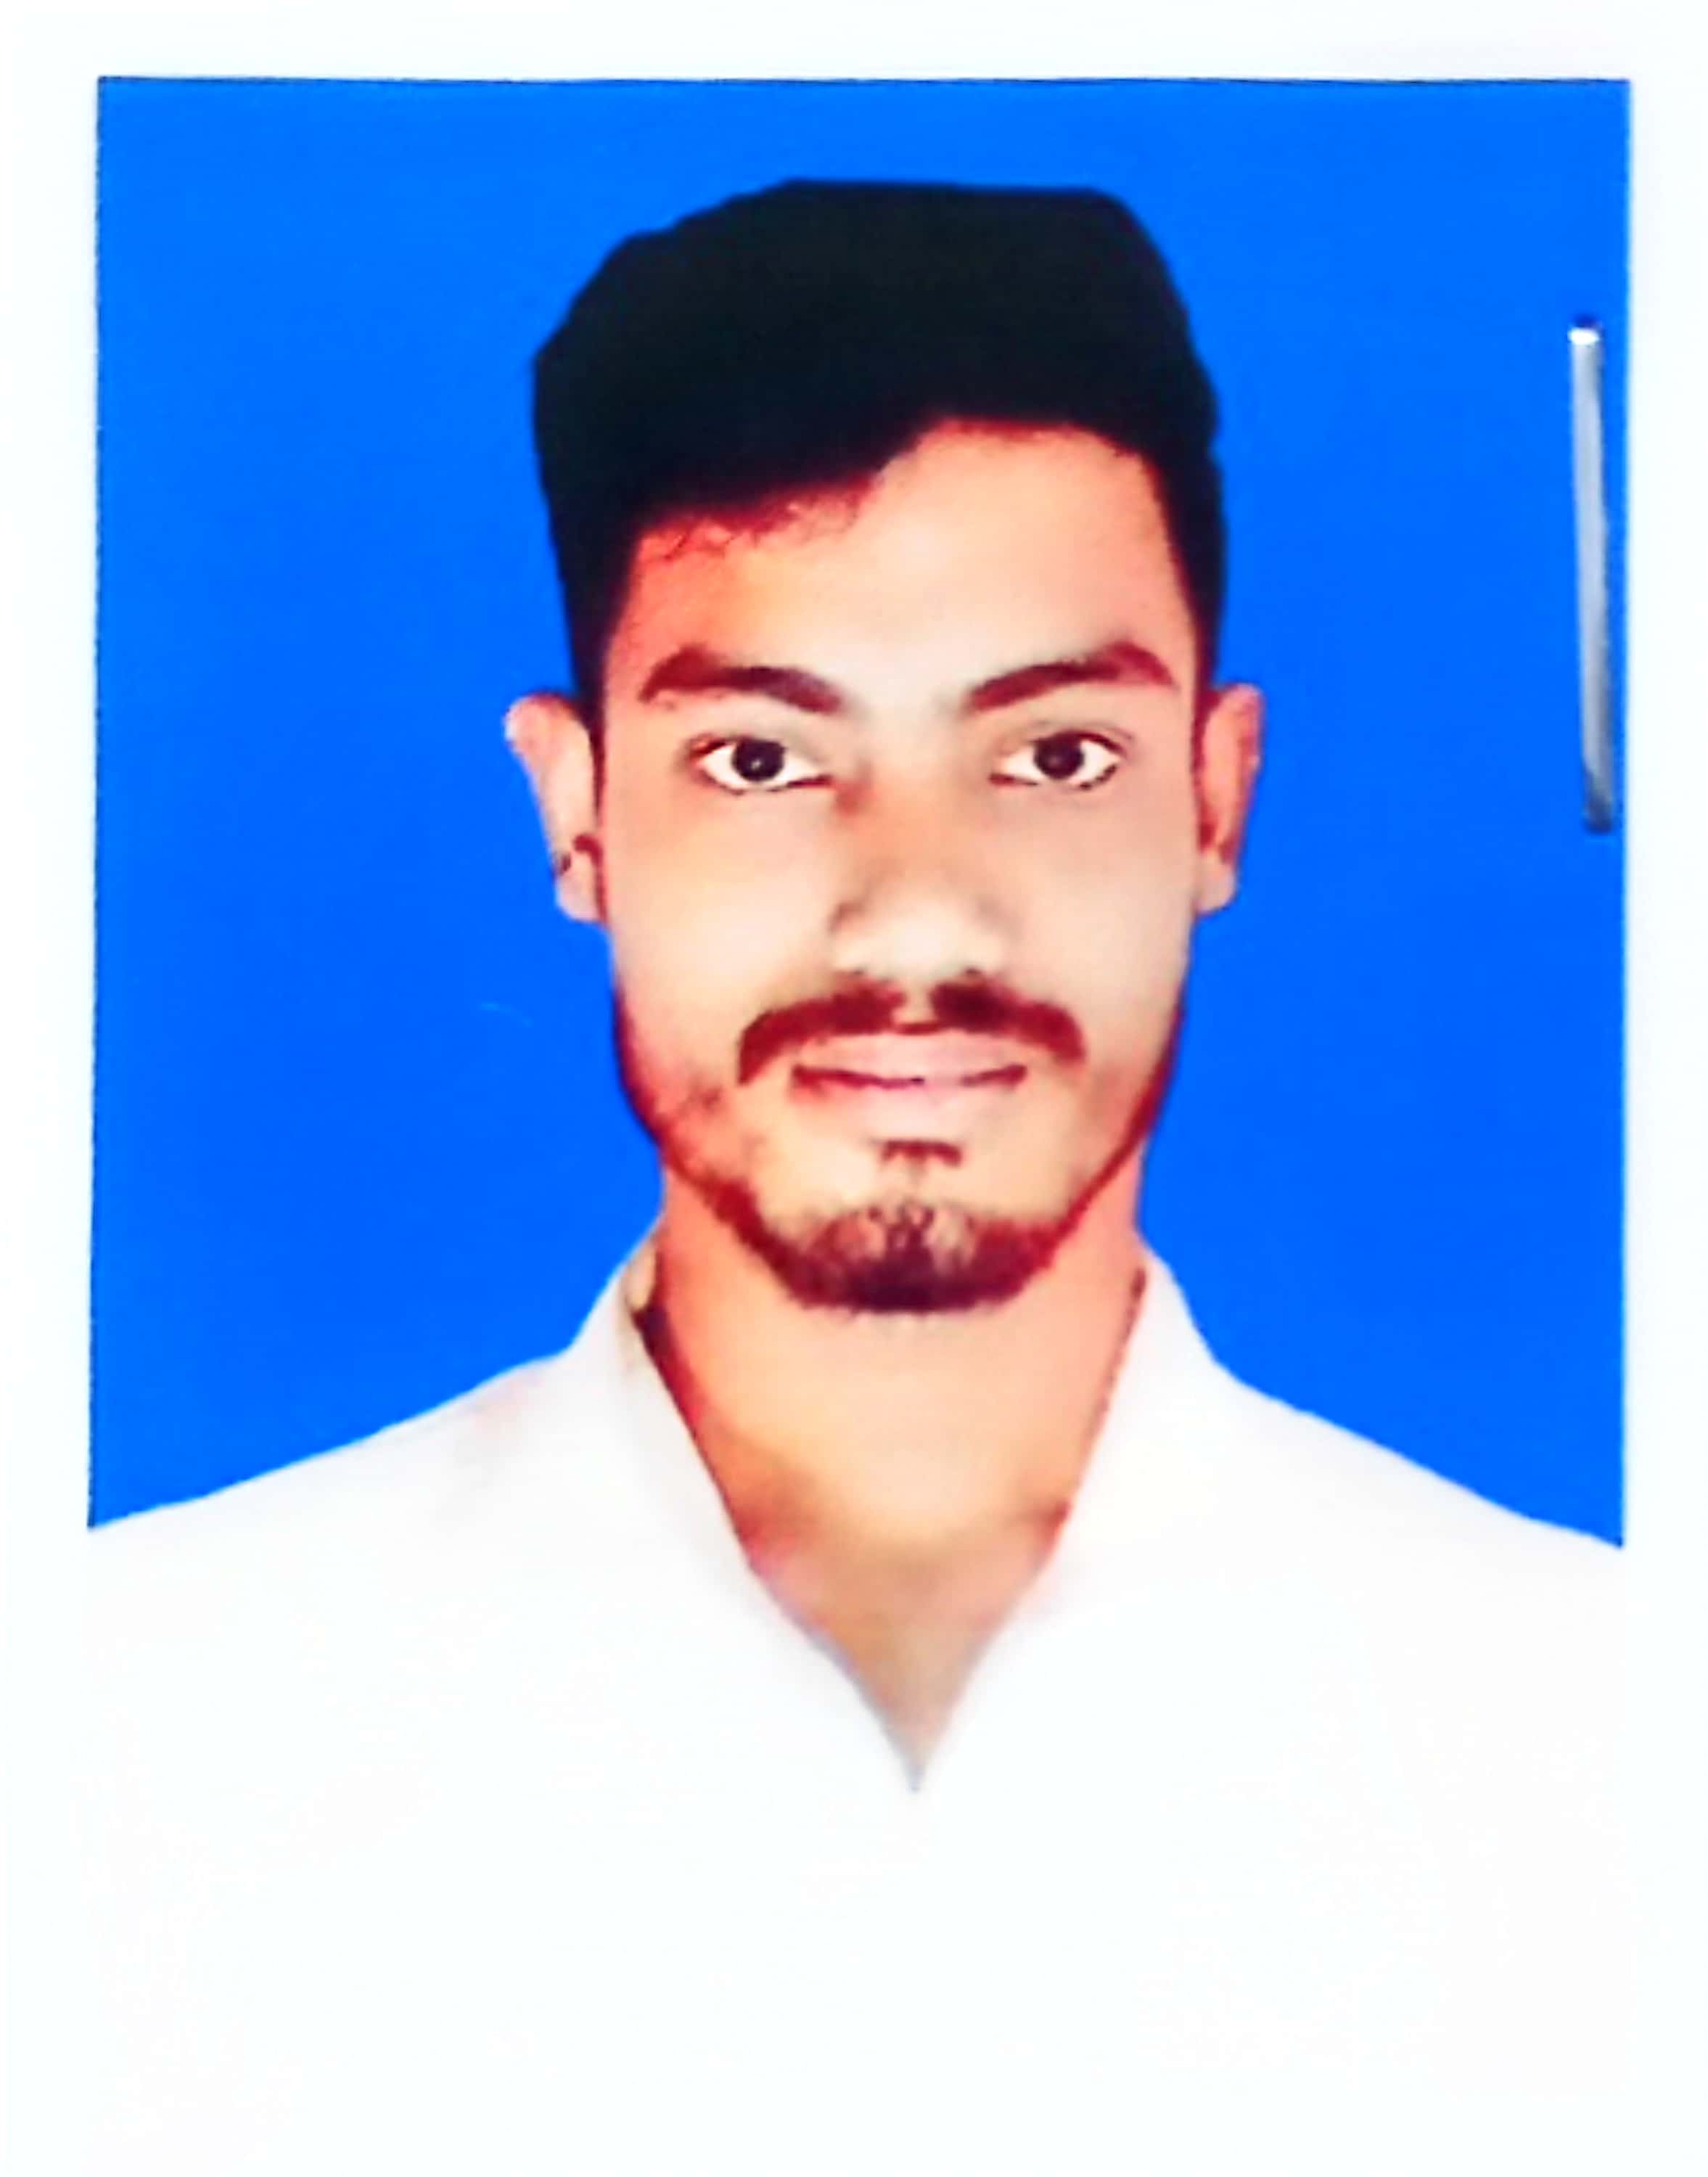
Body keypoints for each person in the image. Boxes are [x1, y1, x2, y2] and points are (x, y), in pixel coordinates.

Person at [88, 181, 1625, 2177]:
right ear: (577, 815)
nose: (915, 909)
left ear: (1214, 799)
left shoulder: (1598, 1731)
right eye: (761, 760)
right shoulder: (127, 1723)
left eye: (1054, 756)